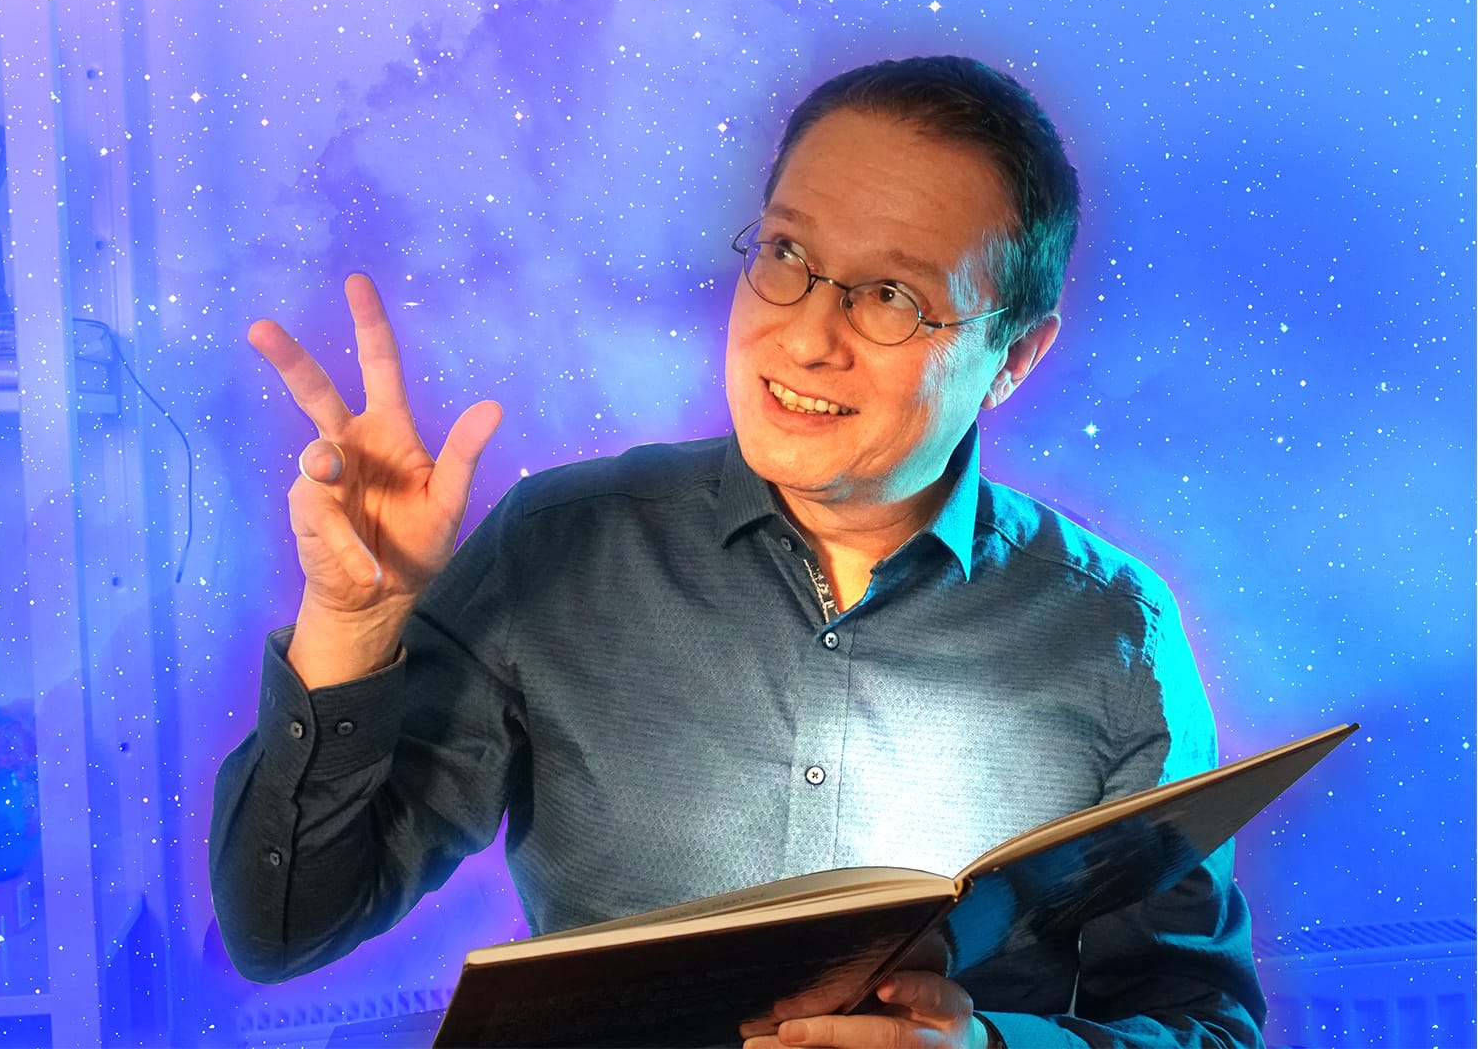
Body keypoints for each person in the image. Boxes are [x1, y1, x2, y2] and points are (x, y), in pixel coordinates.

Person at [211, 56, 1267, 1048]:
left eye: (892, 297)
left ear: (1014, 356)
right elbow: (284, 928)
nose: (806, 338)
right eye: (788, 256)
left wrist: (986, 1045)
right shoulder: (554, 547)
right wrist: (351, 628)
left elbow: (1204, 1024)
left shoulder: (1116, 635)